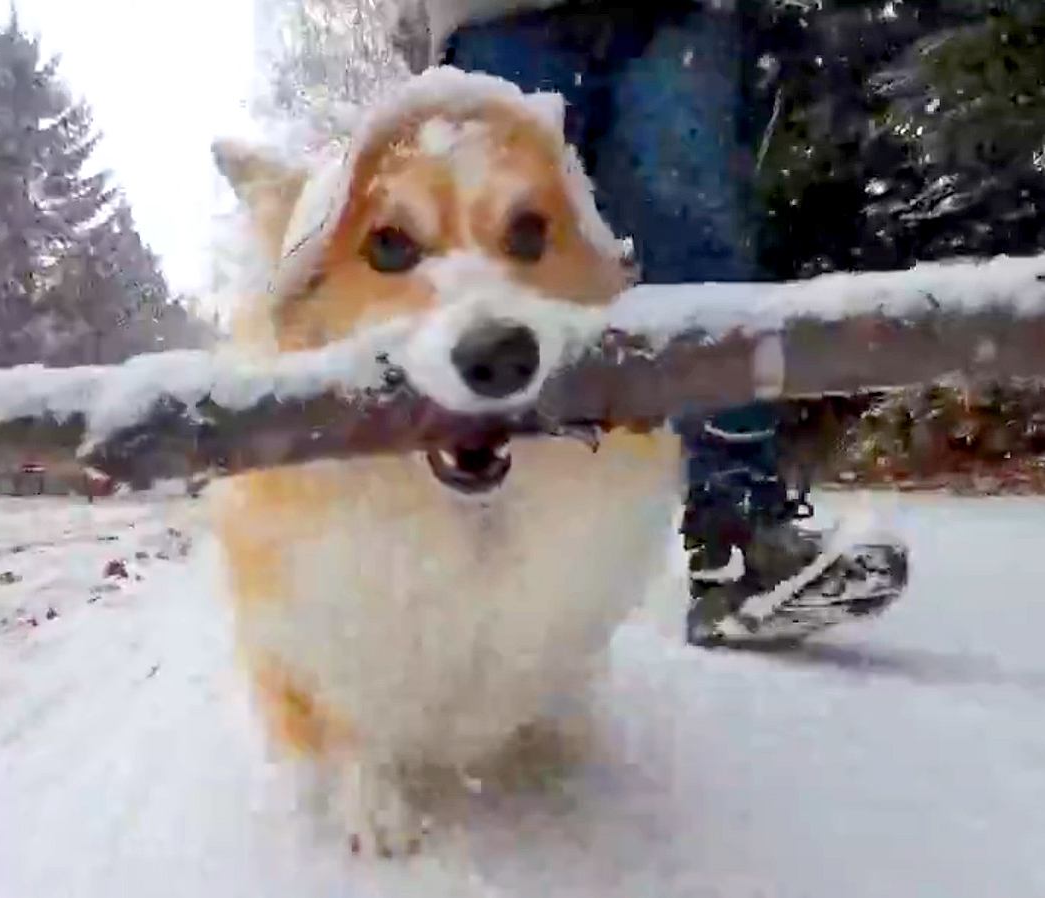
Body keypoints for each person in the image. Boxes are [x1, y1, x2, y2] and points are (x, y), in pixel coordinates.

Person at [388, 0, 909, 646]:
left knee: (699, 241)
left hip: (676, 14)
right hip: (494, 15)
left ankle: (739, 533)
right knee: (499, 255)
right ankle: (468, 548)